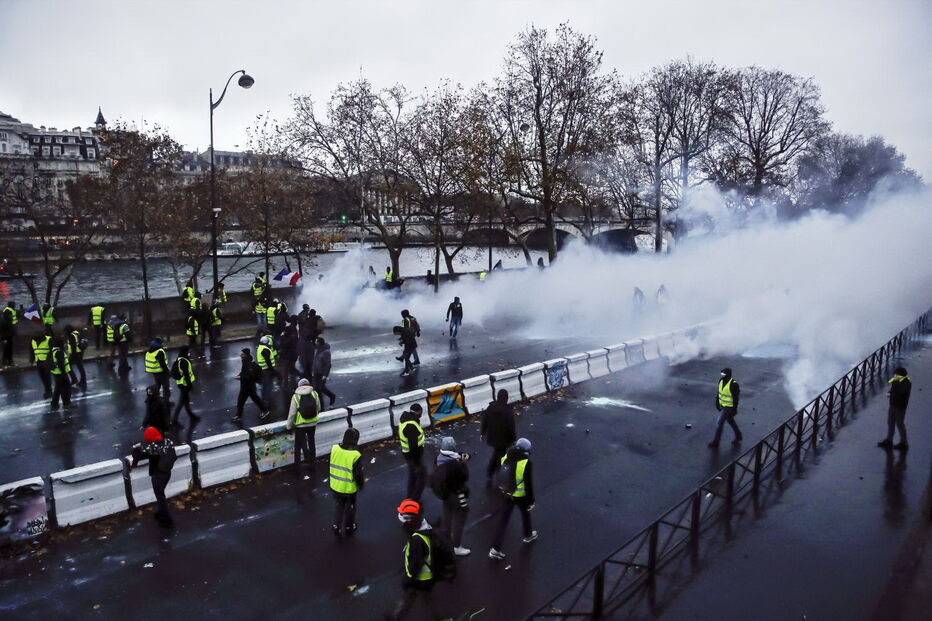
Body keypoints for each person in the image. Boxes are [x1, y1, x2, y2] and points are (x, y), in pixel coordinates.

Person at [389, 499, 443, 620]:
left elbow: (416, 564)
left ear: (410, 519)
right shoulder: (423, 527)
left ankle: (396, 617)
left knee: (414, 599)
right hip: (427, 577)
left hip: (420, 579)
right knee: (422, 600)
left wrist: (408, 579)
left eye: (403, 516)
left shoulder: (416, 540)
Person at [489, 437, 537, 560]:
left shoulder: (506, 457)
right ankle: (528, 535)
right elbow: (528, 485)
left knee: (503, 521)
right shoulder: (526, 463)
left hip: (507, 493)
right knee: (525, 514)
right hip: (520, 496)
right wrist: (531, 501)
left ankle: (495, 549)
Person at [430, 436, 471, 555]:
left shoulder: (438, 459)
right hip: (456, 493)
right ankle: (457, 546)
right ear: (453, 447)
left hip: (444, 493)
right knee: (461, 515)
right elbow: (464, 476)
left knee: (447, 514)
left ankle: (445, 538)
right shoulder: (454, 464)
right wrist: (463, 463)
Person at [130, 427, 177, 528]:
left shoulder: (152, 447)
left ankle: (167, 520)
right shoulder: (168, 442)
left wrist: (136, 447)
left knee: (160, 497)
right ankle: (160, 512)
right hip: (167, 473)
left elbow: (137, 455)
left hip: (157, 476)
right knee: (161, 494)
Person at [330, 427, 364, 536]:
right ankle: (349, 527)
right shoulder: (355, 455)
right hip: (349, 488)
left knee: (339, 505)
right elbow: (357, 474)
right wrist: (360, 484)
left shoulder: (335, 448)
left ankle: (336, 525)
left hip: (335, 485)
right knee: (350, 507)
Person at [480, 389, 517, 483]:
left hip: (492, 437)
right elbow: (511, 427)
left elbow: (485, 421)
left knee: (497, 452)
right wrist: (513, 439)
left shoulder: (491, 407)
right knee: (501, 456)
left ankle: (490, 472)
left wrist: (482, 433)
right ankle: (499, 474)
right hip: (504, 439)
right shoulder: (508, 411)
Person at [287, 378, 321, 474]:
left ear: (299, 386)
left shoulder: (296, 396)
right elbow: (318, 408)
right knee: (312, 444)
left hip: (300, 425)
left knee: (298, 447)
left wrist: (289, 426)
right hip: (312, 424)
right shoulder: (314, 394)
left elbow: (292, 413)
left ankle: (297, 468)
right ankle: (312, 465)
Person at [878, 366, 912, 451]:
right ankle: (889, 440)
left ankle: (904, 442)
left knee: (900, 424)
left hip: (900, 407)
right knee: (890, 422)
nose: (894, 375)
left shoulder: (906, 383)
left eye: (896, 374)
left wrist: (893, 388)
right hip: (893, 405)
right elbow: (892, 390)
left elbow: (899, 392)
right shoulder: (896, 381)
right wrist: (889, 393)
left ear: (900, 375)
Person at [398, 403, 427, 501]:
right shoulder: (411, 426)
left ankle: (411, 498)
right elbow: (413, 446)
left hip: (408, 454)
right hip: (413, 456)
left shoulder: (407, 421)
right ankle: (413, 499)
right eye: (421, 413)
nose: (421, 415)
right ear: (418, 413)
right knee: (421, 476)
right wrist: (417, 463)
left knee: (413, 476)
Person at [708, 367, 742, 447]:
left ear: (728, 374)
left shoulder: (734, 384)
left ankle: (716, 441)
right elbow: (719, 392)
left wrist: (734, 409)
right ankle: (738, 436)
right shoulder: (721, 381)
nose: (722, 375)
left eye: (723, 373)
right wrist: (717, 403)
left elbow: (735, 398)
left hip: (729, 407)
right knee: (730, 421)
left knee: (720, 421)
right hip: (723, 405)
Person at [233, 348, 269, 422]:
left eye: (242, 354)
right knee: (241, 401)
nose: (240, 355)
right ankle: (238, 415)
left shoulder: (250, 364)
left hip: (249, 387)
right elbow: (244, 371)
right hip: (244, 386)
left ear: (246, 355)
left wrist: (240, 377)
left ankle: (265, 410)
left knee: (254, 400)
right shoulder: (244, 361)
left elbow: (250, 376)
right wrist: (240, 374)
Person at [171, 346, 199, 427]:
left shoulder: (179, 359)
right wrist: (190, 386)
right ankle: (174, 421)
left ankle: (192, 416)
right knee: (181, 403)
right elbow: (186, 375)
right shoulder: (184, 361)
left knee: (186, 401)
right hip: (184, 385)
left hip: (181, 384)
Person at [49, 336, 74, 409]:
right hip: (61, 373)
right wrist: (65, 375)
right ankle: (67, 403)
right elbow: (61, 365)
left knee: (58, 388)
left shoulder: (53, 351)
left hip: (55, 373)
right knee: (67, 388)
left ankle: (54, 403)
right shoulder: (59, 352)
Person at [312, 336, 336, 407]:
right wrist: (313, 370)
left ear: (319, 343)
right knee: (316, 388)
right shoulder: (317, 350)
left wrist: (325, 375)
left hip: (322, 373)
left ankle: (332, 396)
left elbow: (328, 364)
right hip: (316, 372)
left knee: (321, 388)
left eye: (316, 341)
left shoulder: (326, 352)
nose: (315, 343)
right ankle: (318, 404)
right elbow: (315, 361)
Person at [257, 335, 280, 408]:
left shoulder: (260, 347)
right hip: (267, 371)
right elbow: (268, 362)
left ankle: (264, 399)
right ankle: (267, 401)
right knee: (268, 386)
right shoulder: (265, 349)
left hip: (263, 370)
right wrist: (273, 371)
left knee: (265, 386)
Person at [279, 318, 299, 389]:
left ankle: (286, 385)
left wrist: (282, 336)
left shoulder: (289, 338)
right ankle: (299, 378)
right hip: (293, 355)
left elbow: (283, 344)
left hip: (288, 355)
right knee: (291, 368)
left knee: (286, 370)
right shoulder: (294, 335)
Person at [31, 332, 52, 397]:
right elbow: (32, 350)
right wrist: (32, 360)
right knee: (42, 376)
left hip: (47, 361)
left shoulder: (49, 339)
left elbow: (52, 350)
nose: (36, 341)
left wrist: (50, 360)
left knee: (47, 376)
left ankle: (48, 391)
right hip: (38, 361)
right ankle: (47, 390)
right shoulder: (33, 340)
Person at [1, 301, 18, 367]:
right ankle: (8, 362)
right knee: (7, 349)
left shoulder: (10, 311)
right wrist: (3, 338)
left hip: (9, 334)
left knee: (8, 348)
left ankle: (7, 362)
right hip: (7, 335)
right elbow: (3, 327)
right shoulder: (7, 313)